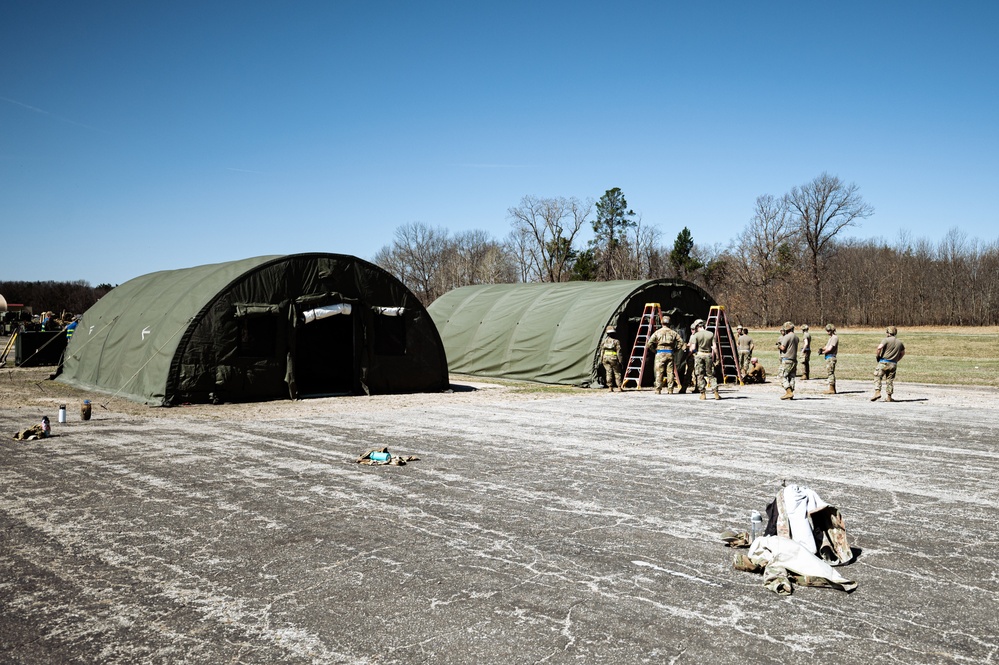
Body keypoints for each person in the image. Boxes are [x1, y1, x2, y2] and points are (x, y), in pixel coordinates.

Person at [645, 314, 682, 394]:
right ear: (670, 323)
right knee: (670, 372)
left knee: (659, 372)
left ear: (662, 323)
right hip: (670, 353)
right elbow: (681, 342)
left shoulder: (657, 332)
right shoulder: (673, 333)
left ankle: (658, 389)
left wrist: (654, 350)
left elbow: (649, 343)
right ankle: (670, 389)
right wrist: (676, 350)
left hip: (660, 353)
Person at [688, 318, 720, 400]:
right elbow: (715, 347)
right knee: (711, 375)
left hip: (699, 355)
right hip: (708, 355)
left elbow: (693, 348)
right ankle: (716, 392)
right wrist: (718, 357)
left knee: (700, 375)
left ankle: (703, 394)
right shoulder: (711, 334)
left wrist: (689, 355)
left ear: (696, 326)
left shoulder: (695, 335)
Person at [872, 326, 905, 402]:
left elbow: (879, 348)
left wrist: (878, 356)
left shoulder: (885, 340)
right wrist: (896, 360)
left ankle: (877, 392)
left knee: (877, 376)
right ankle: (889, 397)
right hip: (893, 364)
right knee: (890, 380)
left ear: (888, 332)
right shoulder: (900, 342)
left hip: (883, 362)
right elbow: (903, 353)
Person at [776, 321, 799, 400]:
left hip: (787, 359)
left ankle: (788, 392)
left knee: (781, 375)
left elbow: (783, 348)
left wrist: (778, 346)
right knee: (791, 377)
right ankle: (791, 393)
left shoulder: (787, 337)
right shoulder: (796, 337)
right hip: (794, 359)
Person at [600, 325, 624, 392]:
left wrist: (601, 359)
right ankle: (619, 387)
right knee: (617, 372)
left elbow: (602, 350)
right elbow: (619, 352)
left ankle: (610, 387)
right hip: (613, 359)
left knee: (608, 372)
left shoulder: (604, 341)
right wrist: (620, 361)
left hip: (605, 358)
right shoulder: (616, 341)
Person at [820, 324, 839, 394]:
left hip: (831, 357)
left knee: (830, 373)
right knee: (829, 372)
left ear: (832, 330)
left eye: (829, 330)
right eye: (827, 330)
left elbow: (830, 348)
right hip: (828, 357)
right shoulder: (831, 338)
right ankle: (831, 388)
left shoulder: (834, 338)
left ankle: (832, 389)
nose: (827, 332)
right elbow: (827, 346)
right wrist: (822, 349)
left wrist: (823, 352)